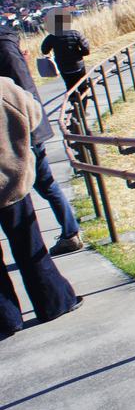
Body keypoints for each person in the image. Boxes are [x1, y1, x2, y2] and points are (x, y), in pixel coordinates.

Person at [0, 75, 81, 339]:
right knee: (30, 246)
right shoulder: (3, 87)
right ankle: (55, 302)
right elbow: (34, 115)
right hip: (11, 182)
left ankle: (6, 319)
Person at [0, 26, 81, 255]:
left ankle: (70, 232)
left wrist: (30, 132)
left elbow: (20, 94)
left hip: (22, 132)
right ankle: (70, 231)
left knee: (42, 186)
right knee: (45, 185)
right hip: (26, 129)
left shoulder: (4, 49)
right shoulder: (9, 46)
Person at [40, 10, 90, 94]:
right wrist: (77, 54)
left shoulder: (51, 37)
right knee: (83, 87)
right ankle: (83, 104)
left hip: (63, 66)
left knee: (70, 87)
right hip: (78, 65)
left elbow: (44, 51)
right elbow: (86, 50)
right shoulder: (75, 34)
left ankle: (73, 102)